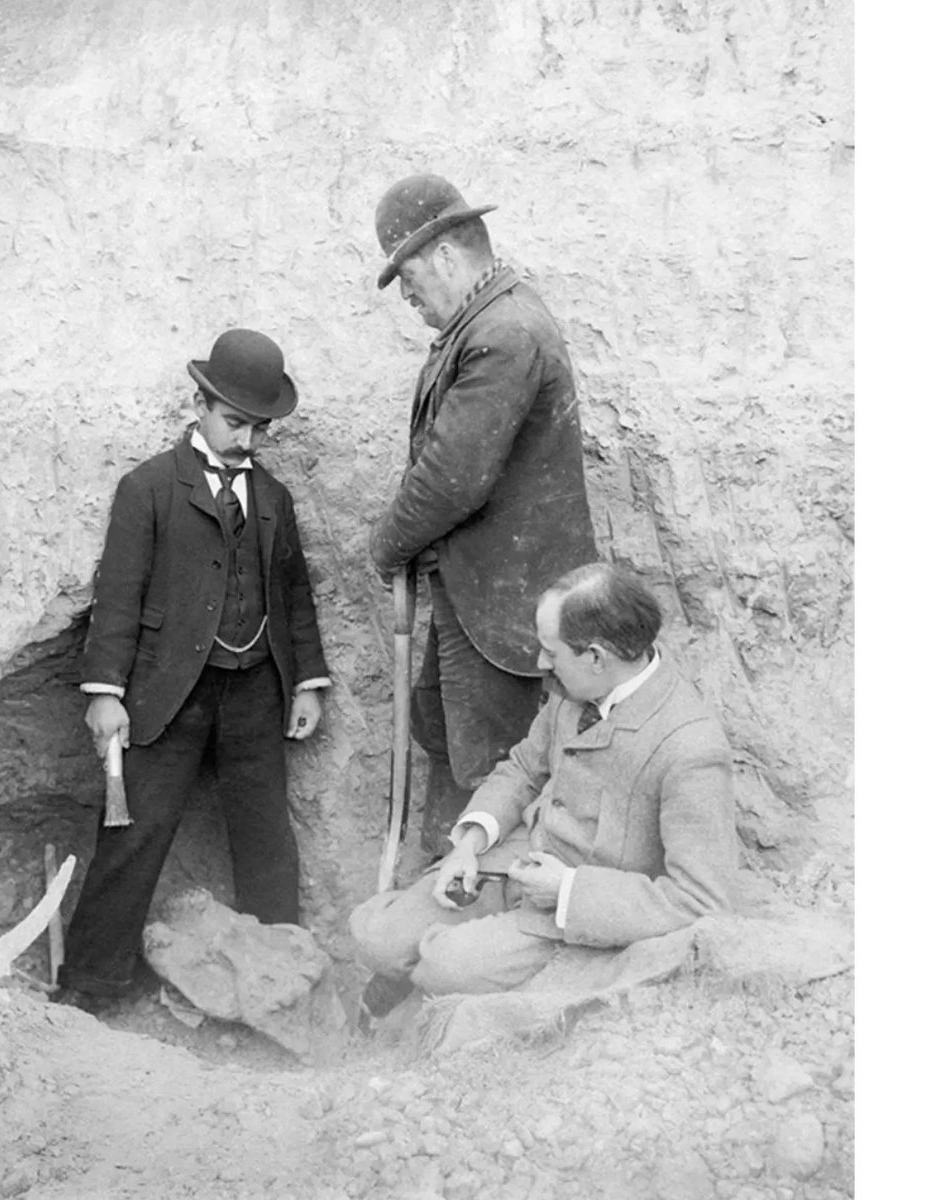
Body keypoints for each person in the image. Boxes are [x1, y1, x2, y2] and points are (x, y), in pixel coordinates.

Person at [55, 328, 330, 1010]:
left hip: (255, 689)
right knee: (135, 830)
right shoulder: (147, 488)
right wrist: (106, 693)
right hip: (166, 690)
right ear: (200, 404)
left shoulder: (273, 498)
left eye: (258, 428)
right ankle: (93, 985)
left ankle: (282, 989)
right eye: (235, 422)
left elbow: (292, 594)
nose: (247, 441)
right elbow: (118, 596)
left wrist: (307, 681)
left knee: (265, 832)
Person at [351, 561, 738, 1019]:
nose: (540, 663)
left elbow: (702, 900)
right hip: (513, 863)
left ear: (596, 657)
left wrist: (567, 890)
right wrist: (471, 843)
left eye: (551, 653)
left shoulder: (690, 747)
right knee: (376, 937)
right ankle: (410, 972)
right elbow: (524, 766)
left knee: (445, 966)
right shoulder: (576, 687)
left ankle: (419, 994)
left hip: (569, 913)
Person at [369, 173, 598, 859]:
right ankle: (437, 911)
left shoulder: (503, 333)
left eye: (408, 276)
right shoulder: (485, 324)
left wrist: (387, 546)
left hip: (508, 610)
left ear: (444, 255)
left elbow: (451, 477)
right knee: (445, 734)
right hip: (483, 601)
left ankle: (482, 928)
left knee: (492, 769)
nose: (406, 296)